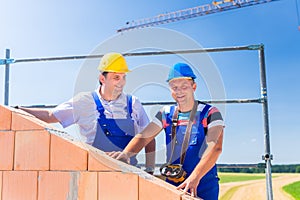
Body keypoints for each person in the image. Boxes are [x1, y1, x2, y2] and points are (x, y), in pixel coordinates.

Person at [17, 52, 156, 173]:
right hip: (94, 175)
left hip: (129, 176)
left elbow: (149, 136)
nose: (121, 82)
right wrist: (17, 109)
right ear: (102, 79)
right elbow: (50, 116)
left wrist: (149, 170)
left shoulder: (133, 104)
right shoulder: (84, 102)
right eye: (116, 77)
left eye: (123, 77)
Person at [109, 63, 224, 199]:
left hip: (203, 185)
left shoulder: (211, 113)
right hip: (174, 184)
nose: (179, 91)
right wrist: (126, 155)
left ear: (194, 87)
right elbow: (145, 136)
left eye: (184, 87)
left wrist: (195, 178)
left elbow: (215, 148)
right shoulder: (166, 113)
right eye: (174, 87)